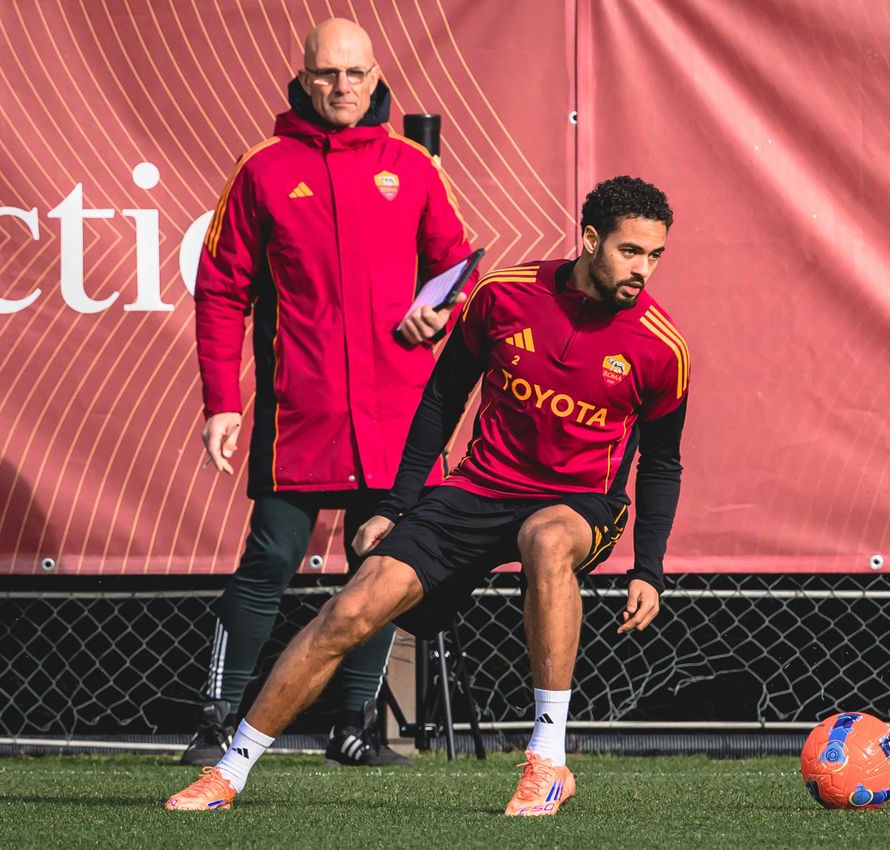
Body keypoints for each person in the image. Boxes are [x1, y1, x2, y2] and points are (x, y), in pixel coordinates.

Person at [167, 176, 689, 815]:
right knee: (350, 611)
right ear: (589, 240)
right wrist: (394, 504)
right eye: (629, 251)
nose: (643, 270)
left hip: (580, 503)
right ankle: (230, 771)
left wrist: (650, 570)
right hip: (476, 489)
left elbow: (662, 464)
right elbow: (442, 398)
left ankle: (547, 762)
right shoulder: (503, 296)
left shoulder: (663, 348)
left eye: (654, 255)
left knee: (546, 539)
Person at [186, 17, 474, 768]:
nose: (342, 87)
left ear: (377, 78)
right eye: (327, 74)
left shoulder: (412, 167)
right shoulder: (265, 167)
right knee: (270, 561)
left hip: (397, 416)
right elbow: (220, 290)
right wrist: (222, 399)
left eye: (355, 74)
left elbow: (457, 270)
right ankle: (215, 725)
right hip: (300, 414)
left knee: (376, 569)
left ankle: (355, 729)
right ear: (303, 79)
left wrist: (435, 314)